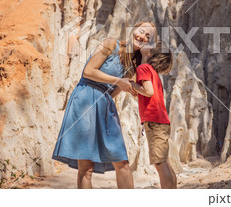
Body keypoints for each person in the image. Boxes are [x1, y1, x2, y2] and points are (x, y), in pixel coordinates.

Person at [52, 21, 157, 189]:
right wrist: (118, 80)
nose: (142, 36)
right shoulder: (110, 44)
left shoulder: (132, 65)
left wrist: (142, 60)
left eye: (148, 36)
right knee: (86, 167)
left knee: (122, 162)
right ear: (133, 29)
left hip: (105, 103)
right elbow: (88, 71)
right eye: (141, 31)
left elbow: (119, 91)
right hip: (85, 98)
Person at [128, 40, 177, 189]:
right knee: (165, 161)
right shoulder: (151, 71)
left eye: (151, 44)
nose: (147, 42)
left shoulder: (143, 68)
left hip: (154, 120)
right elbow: (147, 93)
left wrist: (131, 84)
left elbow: (148, 92)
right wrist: (136, 88)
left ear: (150, 53)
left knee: (160, 163)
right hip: (161, 120)